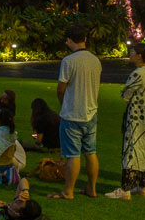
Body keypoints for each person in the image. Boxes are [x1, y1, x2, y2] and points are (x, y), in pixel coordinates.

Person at [106, 42, 145, 199]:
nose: (130, 53)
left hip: (137, 119)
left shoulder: (138, 73)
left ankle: (125, 189)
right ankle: (143, 186)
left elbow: (125, 94)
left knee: (132, 150)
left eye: (132, 51)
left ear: (139, 56)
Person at [51, 24, 101, 200]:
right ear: (85, 39)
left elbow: (60, 88)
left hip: (72, 114)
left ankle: (68, 191)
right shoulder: (95, 60)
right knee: (91, 152)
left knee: (73, 155)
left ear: (69, 40)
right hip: (91, 112)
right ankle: (91, 188)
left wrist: (62, 104)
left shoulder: (69, 61)